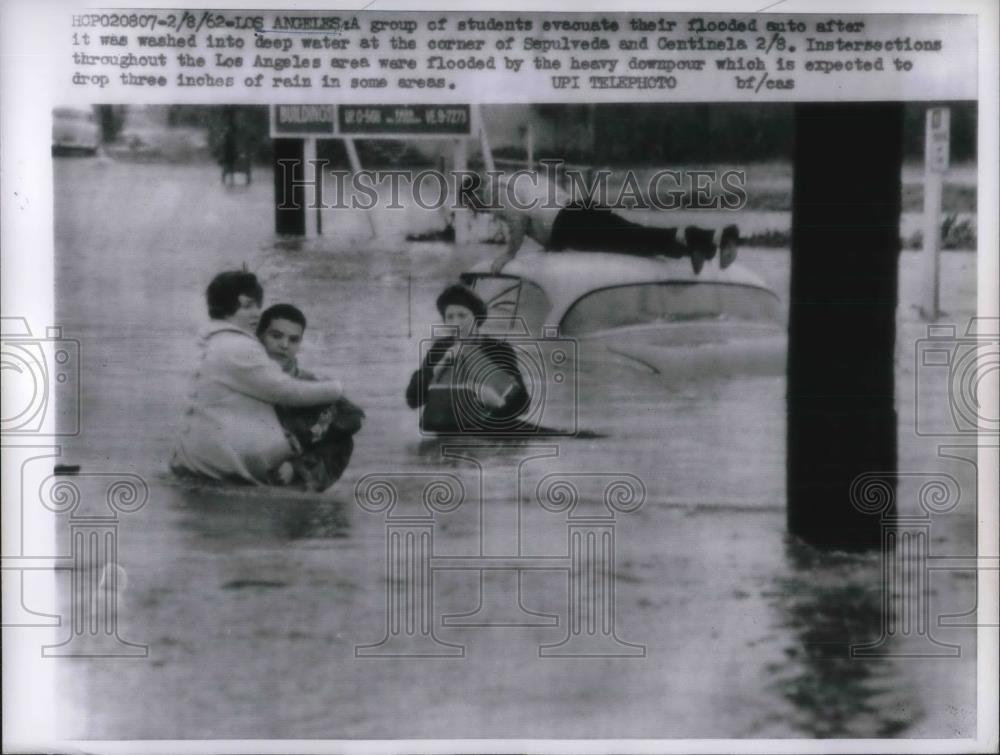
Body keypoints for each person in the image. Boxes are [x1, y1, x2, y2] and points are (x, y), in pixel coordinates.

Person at [169, 271, 345, 486]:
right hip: (220, 475)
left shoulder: (210, 341)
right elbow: (285, 391)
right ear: (225, 308)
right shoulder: (239, 347)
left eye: (257, 305)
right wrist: (336, 389)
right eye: (247, 306)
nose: (256, 313)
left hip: (203, 468)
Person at [460, 171, 739, 275]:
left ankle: (706, 235)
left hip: (569, 223)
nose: (476, 210)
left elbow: (518, 219)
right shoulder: (517, 178)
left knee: (636, 240)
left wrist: (509, 254)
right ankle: (697, 246)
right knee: (636, 239)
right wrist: (552, 246)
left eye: (471, 204)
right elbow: (536, 212)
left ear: (474, 193)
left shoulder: (491, 191)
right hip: (579, 209)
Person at [256, 303, 364, 492]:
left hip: (290, 473)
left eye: (293, 340)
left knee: (340, 436)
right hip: (245, 462)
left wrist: (298, 462)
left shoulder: (311, 385)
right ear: (259, 337)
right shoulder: (237, 376)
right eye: (276, 336)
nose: (284, 345)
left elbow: (353, 418)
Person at [406, 284, 530, 433]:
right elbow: (412, 400)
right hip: (447, 429)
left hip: (487, 432)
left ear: (476, 317)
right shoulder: (440, 348)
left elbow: (523, 404)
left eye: (462, 315)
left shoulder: (499, 348)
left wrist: (498, 403)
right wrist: (438, 367)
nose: (456, 323)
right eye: (449, 317)